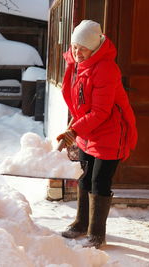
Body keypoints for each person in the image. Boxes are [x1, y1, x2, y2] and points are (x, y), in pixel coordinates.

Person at [57, 20, 137, 249]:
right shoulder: (75, 64)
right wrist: (75, 127)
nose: (77, 52)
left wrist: (74, 130)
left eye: (83, 47)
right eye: (74, 46)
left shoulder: (106, 68)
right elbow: (77, 102)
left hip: (110, 132)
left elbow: (101, 111)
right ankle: (81, 224)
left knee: (99, 181)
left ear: (95, 47)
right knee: (84, 177)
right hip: (87, 131)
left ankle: (96, 234)